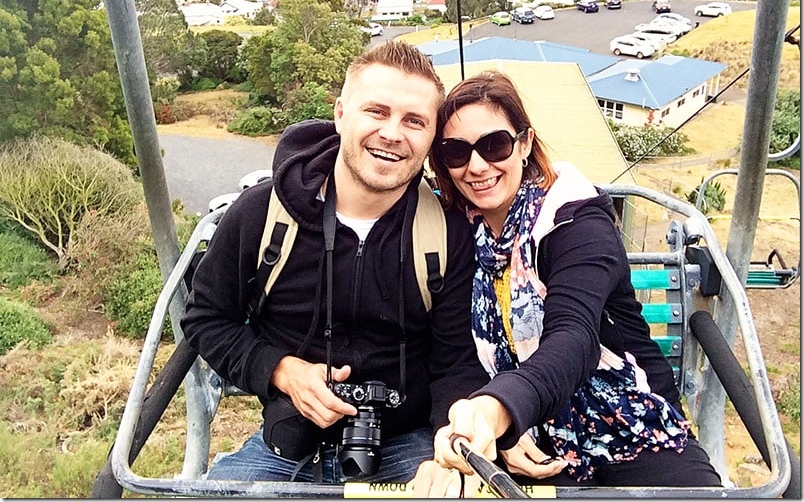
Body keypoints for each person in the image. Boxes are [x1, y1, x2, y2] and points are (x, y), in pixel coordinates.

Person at [180, 40, 489, 484]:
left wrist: (447, 447)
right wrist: (282, 371)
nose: (393, 134)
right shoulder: (262, 214)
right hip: (287, 444)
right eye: (376, 112)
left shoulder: (446, 233)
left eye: (415, 121)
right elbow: (207, 318)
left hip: (407, 442)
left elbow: (457, 359)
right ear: (341, 114)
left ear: (431, 138)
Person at [412, 70, 722, 494]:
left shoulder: (574, 220)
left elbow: (575, 337)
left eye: (494, 145)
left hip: (633, 430)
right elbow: (454, 357)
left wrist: (499, 409)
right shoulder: (462, 234)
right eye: (456, 152)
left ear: (523, 144)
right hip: (529, 443)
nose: (477, 166)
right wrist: (490, 431)